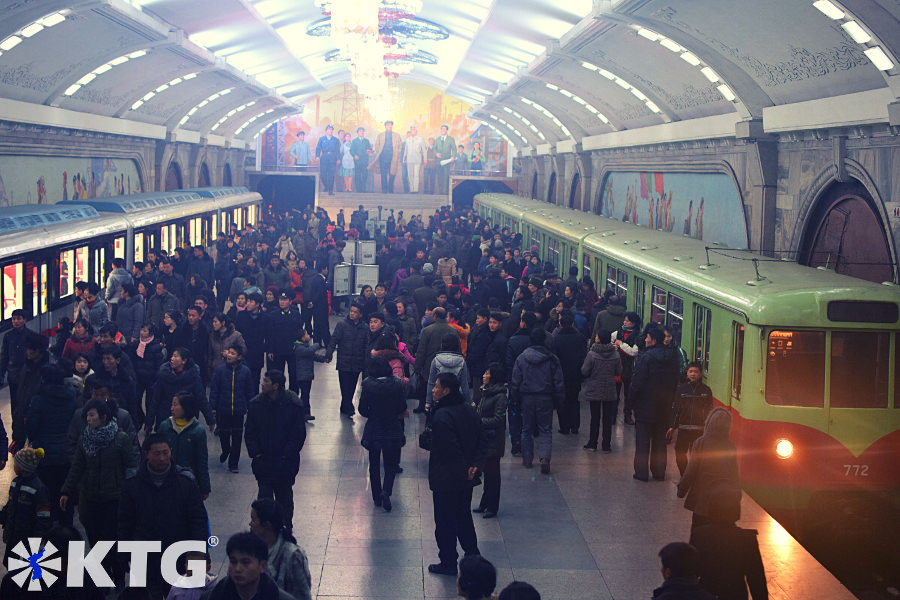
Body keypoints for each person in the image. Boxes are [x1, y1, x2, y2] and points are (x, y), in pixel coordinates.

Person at [119, 433, 208, 598]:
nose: (162, 458)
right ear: (146, 454)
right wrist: (123, 554)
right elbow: (125, 521)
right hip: (144, 555)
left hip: (177, 554)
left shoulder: (185, 482)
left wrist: (198, 553)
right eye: (156, 453)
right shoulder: (132, 485)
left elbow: (198, 520)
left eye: (165, 453)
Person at [60, 398, 137, 581]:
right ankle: (101, 579)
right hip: (91, 497)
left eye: (92, 415)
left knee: (110, 539)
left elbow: (131, 466)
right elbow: (77, 467)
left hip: (114, 498)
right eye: (87, 415)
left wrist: (130, 493)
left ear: (103, 417)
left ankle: (116, 576)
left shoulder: (120, 439)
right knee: (95, 539)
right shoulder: (85, 439)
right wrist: (66, 490)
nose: (88, 419)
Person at [426, 372, 486, 577]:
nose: (433, 390)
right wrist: (475, 466)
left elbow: (449, 448)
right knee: (463, 517)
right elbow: (481, 439)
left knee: (444, 521)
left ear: (446, 391)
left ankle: (448, 561)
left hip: (447, 477)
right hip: (466, 477)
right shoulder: (469, 411)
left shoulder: (442, 415)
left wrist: (463, 470)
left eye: (436, 387)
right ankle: (473, 555)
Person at [245, 371, 307, 526]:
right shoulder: (256, 405)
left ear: (276, 386)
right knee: (264, 498)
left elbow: (298, 435)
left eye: (266, 381)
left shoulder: (293, 405)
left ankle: (285, 526)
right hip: (264, 462)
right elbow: (250, 432)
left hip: (284, 463)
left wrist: (287, 455)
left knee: (284, 496)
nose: (262, 383)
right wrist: (256, 454)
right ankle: (264, 527)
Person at [689, 484, 768, 600]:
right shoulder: (747, 539)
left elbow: (691, 571)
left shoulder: (699, 535)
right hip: (736, 594)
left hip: (706, 593)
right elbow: (756, 578)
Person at [26, 364, 80, 525]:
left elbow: (32, 427)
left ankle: (51, 528)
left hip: (45, 453)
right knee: (65, 492)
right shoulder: (71, 396)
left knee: (47, 492)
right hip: (66, 453)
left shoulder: (39, 399)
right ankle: (67, 529)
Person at [677, 408, 741, 529]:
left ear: (709, 423)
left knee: (698, 535)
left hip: (702, 503)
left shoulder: (700, 443)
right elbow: (734, 476)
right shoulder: (731, 447)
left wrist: (681, 490)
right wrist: (737, 497)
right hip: (723, 503)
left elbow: (691, 470)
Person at [510, 328, 563, 474]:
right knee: (545, 429)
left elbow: (515, 379)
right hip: (545, 397)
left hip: (526, 397)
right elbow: (558, 381)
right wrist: (559, 400)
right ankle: (544, 457)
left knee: (526, 429)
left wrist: (516, 396)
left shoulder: (522, 357)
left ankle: (527, 459)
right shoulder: (552, 358)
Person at [630, 325, 679, 482]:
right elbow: (675, 381)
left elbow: (637, 383)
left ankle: (641, 472)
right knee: (659, 441)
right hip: (664, 406)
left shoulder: (646, 358)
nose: (645, 339)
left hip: (645, 405)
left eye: (648, 337)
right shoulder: (673, 357)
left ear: (654, 340)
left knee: (643, 441)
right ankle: (659, 472)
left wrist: (630, 403)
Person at [358, 357, 407, 512]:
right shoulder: (397, 385)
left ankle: (376, 496)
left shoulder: (367, 385)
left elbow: (362, 409)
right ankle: (386, 491)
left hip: (374, 428)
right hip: (392, 428)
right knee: (391, 464)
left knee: (373, 465)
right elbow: (402, 407)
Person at [249, 499, 313, 600]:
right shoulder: (248, 550)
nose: (250, 524)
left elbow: (302, 595)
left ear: (267, 524)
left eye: (253, 519)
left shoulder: (293, 555)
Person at [200, 532, 293, 600]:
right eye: (233, 561)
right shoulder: (210, 597)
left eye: (245, 562)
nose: (237, 569)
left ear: (262, 566)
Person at [0, 446, 52, 566]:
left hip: (27, 536)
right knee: (11, 565)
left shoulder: (38, 489)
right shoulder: (15, 483)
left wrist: (38, 538)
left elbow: (43, 516)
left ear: (23, 468)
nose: (14, 465)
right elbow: (11, 506)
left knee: (26, 567)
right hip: (14, 534)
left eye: (16, 463)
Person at [210, 345, 255, 473]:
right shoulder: (220, 371)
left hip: (239, 410)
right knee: (223, 434)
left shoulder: (245, 371)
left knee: (237, 437)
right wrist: (213, 406)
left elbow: (249, 391)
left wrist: (251, 407)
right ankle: (225, 451)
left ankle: (233, 463)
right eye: (229, 353)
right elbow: (215, 390)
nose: (229, 355)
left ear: (239, 357)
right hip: (223, 409)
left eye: (233, 353)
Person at [157, 391, 211, 499]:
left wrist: (205, 487)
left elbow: (202, 461)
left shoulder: (197, 431)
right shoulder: (165, 426)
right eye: (172, 404)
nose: (172, 408)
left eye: (176, 405)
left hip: (187, 480)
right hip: (165, 478)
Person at [148, 347, 212, 433]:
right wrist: (149, 421)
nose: (171, 359)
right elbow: (155, 399)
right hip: (166, 416)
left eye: (175, 356)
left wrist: (210, 420)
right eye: (172, 356)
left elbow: (202, 399)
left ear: (184, 361)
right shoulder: (164, 375)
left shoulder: (193, 377)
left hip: (187, 419)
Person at [472, 363, 507, 519]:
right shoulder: (485, 392)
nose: (484, 375)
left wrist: (478, 421)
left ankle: (492, 506)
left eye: (487, 373)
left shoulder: (499, 396)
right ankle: (485, 503)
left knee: (493, 476)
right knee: (487, 474)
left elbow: (498, 419)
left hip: (493, 440)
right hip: (484, 439)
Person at [668, 362, 714, 477]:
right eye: (691, 371)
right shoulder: (681, 390)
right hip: (683, 428)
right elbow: (676, 409)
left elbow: (709, 410)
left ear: (701, 374)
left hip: (699, 429)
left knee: (696, 455)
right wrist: (672, 426)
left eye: (696, 372)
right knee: (680, 453)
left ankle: (693, 476)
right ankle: (684, 475)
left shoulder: (706, 391)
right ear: (687, 373)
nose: (693, 374)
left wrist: (708, 429)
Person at [580, 330, 622, 452]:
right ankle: (606, 445)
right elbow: (619, 371)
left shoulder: (592, 355)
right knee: (607, 419)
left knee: (595, 418)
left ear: (599, 339)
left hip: (595, 389)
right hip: (609, 389)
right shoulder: (615, 355)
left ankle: (593, 443)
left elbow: (584, 371)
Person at [325, 304, 368, 418]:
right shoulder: (342, 325)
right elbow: (334, 340)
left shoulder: (364, 327)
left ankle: (345, 406)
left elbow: (366, 345)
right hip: (344, 360)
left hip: (357, 361)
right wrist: (328, 354)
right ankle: (348, 407)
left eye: (355, 312)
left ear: (360, 315)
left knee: (352, 386)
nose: (352, 314)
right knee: (344, 386)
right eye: (351, 311)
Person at [413, 306, 458, 413]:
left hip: (430, 363)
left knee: (428, 386)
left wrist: (417, 367)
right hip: (449, 363)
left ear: (435, 316)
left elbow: (421, 351)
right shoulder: (453, 330)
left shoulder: (428, 330)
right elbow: (458, 349)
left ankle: (425, 406)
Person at [553, 310, 587, 435]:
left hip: (561, 375)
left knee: (562, 401)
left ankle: (564, 427)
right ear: (573, 323)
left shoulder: (556, 339)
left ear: (560, 324)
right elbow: (584, 355)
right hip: (576, 374)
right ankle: (575, 426)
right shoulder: (580, 338)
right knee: (574, 400)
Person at [426, 333, 471, 412]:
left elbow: (431, 382)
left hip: (439, 397)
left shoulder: (436, 360)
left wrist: (428, 402)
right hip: (456, 398)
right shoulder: (462, 361)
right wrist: (470, 402)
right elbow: (464, 384)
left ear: (442, 345)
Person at [268, 291, 303, 393]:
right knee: (278, 375)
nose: (282, 302)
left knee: (293, 375)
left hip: (292, 350)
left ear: (290, 301)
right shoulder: (273, 315)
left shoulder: (295, 314)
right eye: (280, 300)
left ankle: (293, 395)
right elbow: (270, 334)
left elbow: (299, 330)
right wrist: (270, 350)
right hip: (278, 350)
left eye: (285, 300)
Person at [235, 292, 271, 387]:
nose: (248, 304)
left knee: (255, 380)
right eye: (248, 301)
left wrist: (264, 349)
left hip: (257, 354)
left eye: (251, 302)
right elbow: (237, 333)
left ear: (257, 304)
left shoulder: (265, 318)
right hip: (243, 353)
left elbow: (268, 336)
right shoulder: (241, 315)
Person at [293, 327, 326, 421]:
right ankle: (305, 413)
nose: (308, 336)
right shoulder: (299, 348)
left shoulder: (304, 347)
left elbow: (313, 356)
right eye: (307, 334)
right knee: (305, 395)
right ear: (302, 338)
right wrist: (318, 344)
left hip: (307, 375)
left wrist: (324, 359)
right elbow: (309, 351)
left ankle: (303, 412)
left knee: (305, 394)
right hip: (302, 376)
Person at [0, 309, 29, 413]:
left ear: (24, 320)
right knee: (15, 404)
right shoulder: (8, 336)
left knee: (26, 403)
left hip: (27, 375)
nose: (16, 321)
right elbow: (4, 357)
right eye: (14, 319)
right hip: (13, 376)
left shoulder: (30, 335)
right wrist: (1, 375)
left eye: (18, 319)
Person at [369, 120, 402, 193]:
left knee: (392, 174)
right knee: (383, 174)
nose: (389, 126)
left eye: (390, 125)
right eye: (388, 125)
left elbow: (400, 146)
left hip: (393, 158)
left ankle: (390, 189)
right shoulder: (380, 135)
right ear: (385, 126)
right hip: (383, 157)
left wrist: (397, 153)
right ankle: (384, 189)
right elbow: (377, 144)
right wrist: (378, 153)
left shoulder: (396, 135)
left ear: (392, 126)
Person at [315, 124, 341, 195]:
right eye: (329, 129)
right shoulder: (322, 139)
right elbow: (318, 148)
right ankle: (326, 186)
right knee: (323, 175)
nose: (330, 131)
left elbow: (337, 150)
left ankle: (330, 191)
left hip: (332, 158)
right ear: (326, 131)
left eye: (331, 129)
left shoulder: (335, 140)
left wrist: (338, 158)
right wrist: (317, 156)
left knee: (331, 175)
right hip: (324, 157)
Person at [433, 125, 456, 195]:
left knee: (446, 176)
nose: (442, 130)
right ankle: (440, 192)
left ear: (447, 130)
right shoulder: (437, 139)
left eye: (444, 129)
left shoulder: (451, 139)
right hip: (438, 162)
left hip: (447, 161)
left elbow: (454, 149)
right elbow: (434, 149)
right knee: (439, 177)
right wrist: (436, 154)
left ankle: (445, 192)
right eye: (441, 129)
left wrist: (453, 157)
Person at [350, 127, 372, 192]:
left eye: (362, 131)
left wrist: (369, 151)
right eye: (360, 131)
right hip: (357, 161)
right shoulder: (354, 141)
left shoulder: (366, 141)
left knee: (365, 175)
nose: (361, 132)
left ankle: (363, 190)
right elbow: (351, 150)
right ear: (357, 133)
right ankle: (358, 190)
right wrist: (354, 155)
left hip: (365, 161)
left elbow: (369, 149)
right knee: (357, 175)